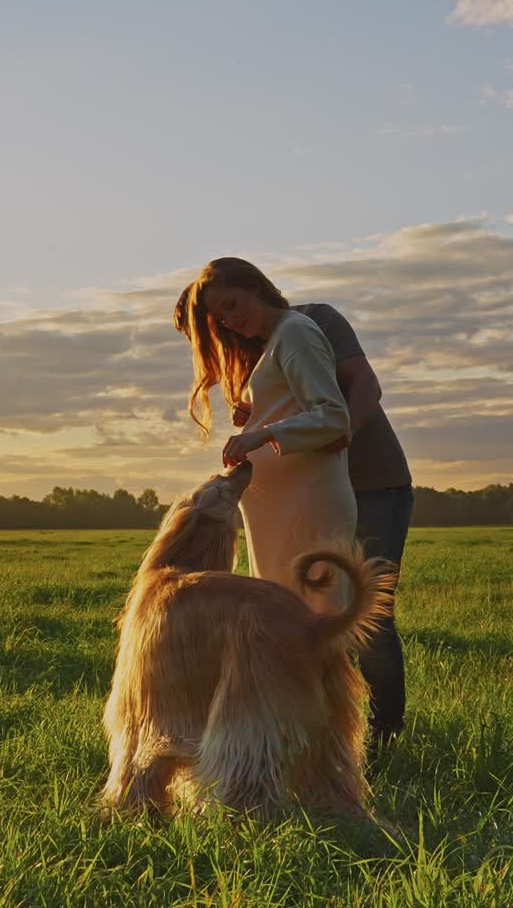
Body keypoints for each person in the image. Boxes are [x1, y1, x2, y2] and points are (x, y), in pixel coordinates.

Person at [175, 265, 413, 750]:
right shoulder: (257, 347)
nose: (225, 326)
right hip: (306, 493)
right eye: (214, 323)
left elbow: (357, 390)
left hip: (372, 482)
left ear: (255, 289)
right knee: (302, 612)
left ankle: (382, 736)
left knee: (365, 614)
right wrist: (260, 416)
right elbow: (286, 409)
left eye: (228, 309)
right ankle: (315, 730)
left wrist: (336, 436)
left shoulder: (311, 322)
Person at [181, 257, 356, 616]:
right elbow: (292, 403)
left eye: (231, 304)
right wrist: (252, 408)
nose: (230, 319)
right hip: (283, 514)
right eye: (222, 316)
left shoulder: (295, 332)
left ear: (256, 287)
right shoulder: (277, 340)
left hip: (306, 509)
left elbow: (334, 416)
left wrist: (262, 433)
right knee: (285, 630)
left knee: (313, 625)